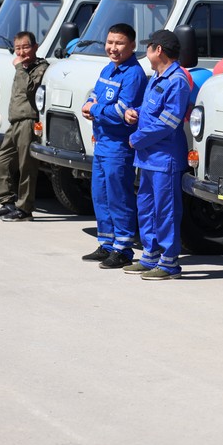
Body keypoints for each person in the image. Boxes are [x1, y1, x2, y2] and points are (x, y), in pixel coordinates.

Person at [121, 29, 190, 280]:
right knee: (146, 207)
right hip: (148, 157)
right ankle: (150, 256)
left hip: (164, 159)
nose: (146, 52)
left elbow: (168, 122)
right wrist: (134, 112)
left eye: (148, 47)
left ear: (158, 50)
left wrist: (136, 138)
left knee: (166, 211)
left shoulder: (177, 80)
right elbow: (151, 112)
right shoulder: (157, 77)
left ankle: (169, 262)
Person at [79, 23, 146, 268]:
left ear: (132, 46)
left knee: (119, 196)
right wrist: (90, 104)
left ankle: (123, 248)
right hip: (102, 144)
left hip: (119, 146)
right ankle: (107, 243)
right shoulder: (108, 69)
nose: (113, 48)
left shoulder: (134, 74)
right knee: (100, 195)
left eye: (119, 43)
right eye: (110, 42)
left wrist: (94, 109)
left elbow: (121, 110)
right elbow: (94, 95)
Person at [0, 31, 50, 222]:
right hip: (15, 122)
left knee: (26, 167)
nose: (21, 52)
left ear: (36, 47)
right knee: (0, 162)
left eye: (25, 47)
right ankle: (7, 202)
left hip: (28, 122)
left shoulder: (40, 68)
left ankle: (25, 209)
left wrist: (20, 68)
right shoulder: (22, 67)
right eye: (18, 48)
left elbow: (31, 90)